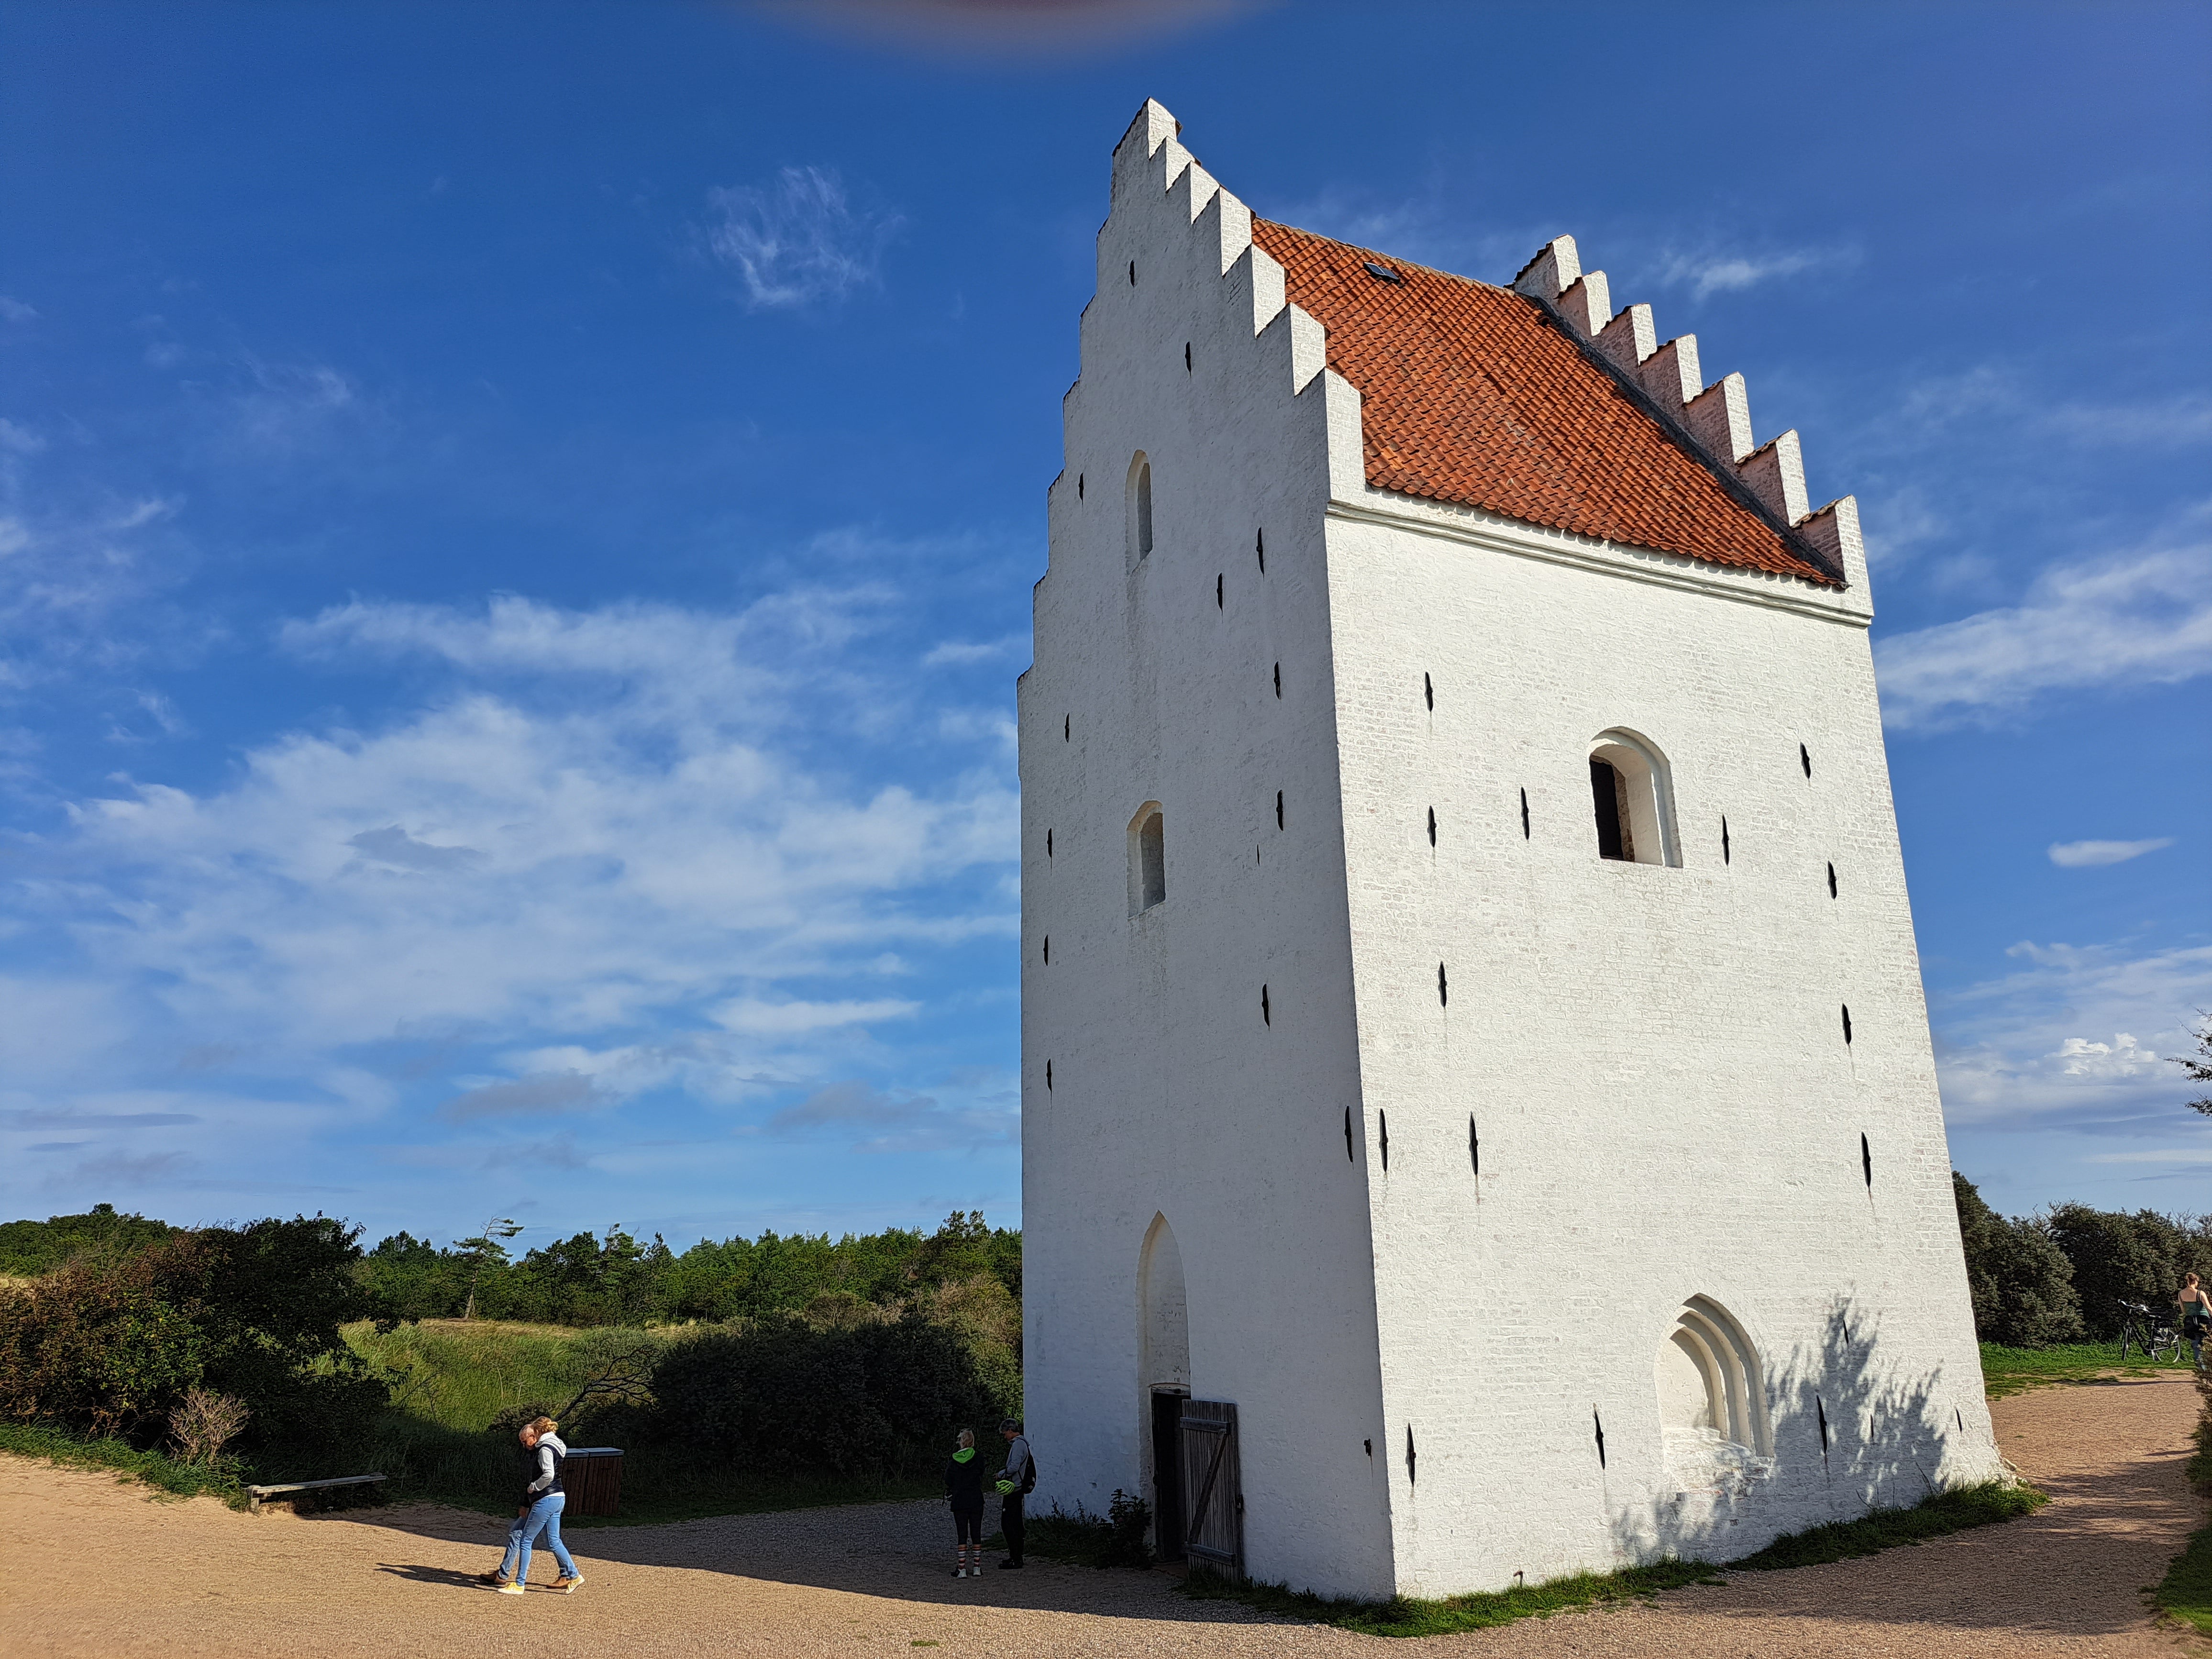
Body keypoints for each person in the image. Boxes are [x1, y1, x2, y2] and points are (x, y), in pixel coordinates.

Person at [478, 1416, 584, 1594]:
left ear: (536, 1433)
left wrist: (533, 1488)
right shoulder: (557, 1445)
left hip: (546, 1498)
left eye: (525, 1440)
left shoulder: (544, 1448)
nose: (525, 1445)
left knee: (526, 1540)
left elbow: (548, 1474)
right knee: (554, 1541)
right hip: (559, 1496)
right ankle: (574, 1575)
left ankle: (519, 1584)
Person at [944, 1428, 987, 1578]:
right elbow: (982, 1473)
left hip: (960, 1500)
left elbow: (948, 1480)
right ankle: (977, 1567)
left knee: (962, 1534)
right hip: (976, 1498)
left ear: (961, 1441)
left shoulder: (953, 1460)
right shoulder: (979, 1458)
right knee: (976, 1532)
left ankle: (962, 1568)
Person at [994, 1417, 1033, 1570]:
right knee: (1015, 1523)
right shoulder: (1023, 1444)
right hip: (1018, 1488)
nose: (1005, 1436)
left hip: (1014, 1488)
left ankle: (1016, 1558)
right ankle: (1016, 1556)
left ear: (1011, 1431)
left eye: (1005, 1433)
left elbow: (1014, 1467)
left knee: (1008, 1524)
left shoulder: (1018, 1445)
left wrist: (1001, 1474)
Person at [2179, 1272, 2211, 1370]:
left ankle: (2201, 1366)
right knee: (2207, 1343)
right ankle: (2206, 1367)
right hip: (2203, 1321)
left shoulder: (2181, 1294)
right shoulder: (2200, 1294)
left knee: (2196, 1344)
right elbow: (2209, 1308)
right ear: (2195, 1281)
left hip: (2190, 1322)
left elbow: (2183, 1309)